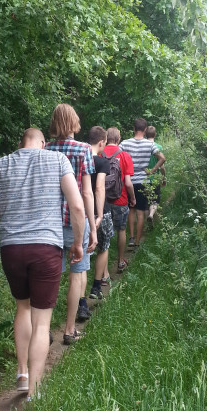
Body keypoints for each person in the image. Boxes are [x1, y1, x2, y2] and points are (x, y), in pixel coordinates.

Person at [0, 128, 85, 389]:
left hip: (11, 249)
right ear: (43, 144)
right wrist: (78, 243)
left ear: (20, 143)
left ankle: (22, 374)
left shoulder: (2, 163)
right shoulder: (57, 160)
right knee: (42, 320)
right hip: (46, 248)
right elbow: (77, 206)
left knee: (22, 307)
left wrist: (5, 208)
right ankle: (34, 390)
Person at [44, 104, 97, 341]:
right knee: (77, 275)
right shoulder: (83, 149)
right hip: (76, 223)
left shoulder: (45, 149)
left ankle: (44, 330)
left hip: (49, 224)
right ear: (74, 122)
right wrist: (92, 227)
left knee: (51, 277)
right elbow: (86, 193)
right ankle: (69, 329)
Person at [120, 118, 166, 248]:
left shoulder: (125, 143)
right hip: (143, 181)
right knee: (141, 212)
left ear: (134, 129)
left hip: (129, 181)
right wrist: (152, 171)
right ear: (145, 130)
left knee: (131, 210)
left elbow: (117, 156)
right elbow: (162, 158)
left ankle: (131, 237)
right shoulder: (150, 145)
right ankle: (137, 242)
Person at [103, 127, 135, 273]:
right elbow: (128, 183)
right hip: (120, 200)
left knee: (104, 235)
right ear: (118, 139)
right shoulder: (124, 156)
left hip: (102, 201)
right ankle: (120, 261)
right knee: (121, 230)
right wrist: (132, 198)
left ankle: (103, 273)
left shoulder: (99, 153)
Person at [87, 126, 112, 300]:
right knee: (103, 248)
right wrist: (100, 213)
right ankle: (96, 287)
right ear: (102, 142)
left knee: (83, 251)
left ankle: (80, 299)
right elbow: (99, 188)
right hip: (100, 211)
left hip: (81, 210)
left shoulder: (80, 158)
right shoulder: (102, 161)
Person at [145, 125, 166, 226]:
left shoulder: (142, 146)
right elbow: (162, 167)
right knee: (155, 200)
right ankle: (151, 215)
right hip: (155, 179)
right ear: (155, 134)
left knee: (145, 201)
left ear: (145, 134)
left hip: (143, 178)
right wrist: (163, 178)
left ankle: (145, 222)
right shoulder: (158, 147)